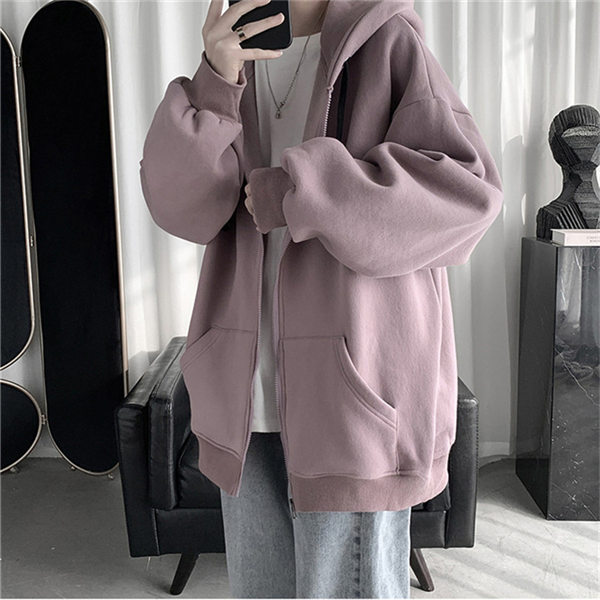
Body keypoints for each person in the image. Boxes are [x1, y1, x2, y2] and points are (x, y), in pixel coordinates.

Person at [139, 0, 504, 597]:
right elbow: (179, 207)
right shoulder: (235, 57)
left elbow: (467, 195)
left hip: (353, 400)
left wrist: (304, 190)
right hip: (244, 396)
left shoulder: (385, 39)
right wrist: (214, 78)